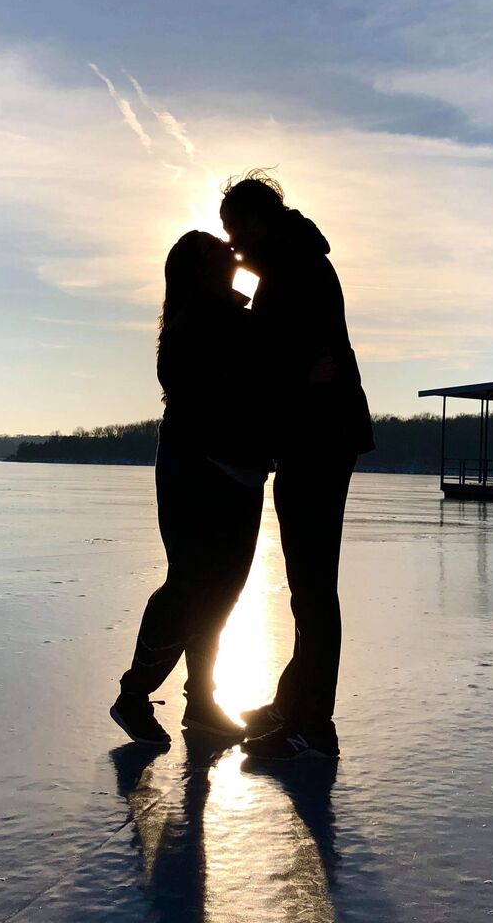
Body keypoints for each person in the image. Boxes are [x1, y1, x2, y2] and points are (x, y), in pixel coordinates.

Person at [219, 172, 374, 761]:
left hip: (320, 439)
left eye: (235, 229)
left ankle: (313, 725)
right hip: (318, 437)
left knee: (313, 589)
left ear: (258, 220)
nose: (232, 241)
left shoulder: (292, 265)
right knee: (309, 589)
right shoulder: (294, 256)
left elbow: (275, 353)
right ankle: (296, 704)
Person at [110, 230, 271, 746]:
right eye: (215, 250)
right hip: (200, 470)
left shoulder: (230, 316)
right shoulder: (197, 323)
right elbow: (218, 391)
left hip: (240, 470)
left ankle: (201, 701)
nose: (229, 252)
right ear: (196, 269)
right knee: (191, 586)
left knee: (221, 593)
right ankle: (134, 694)